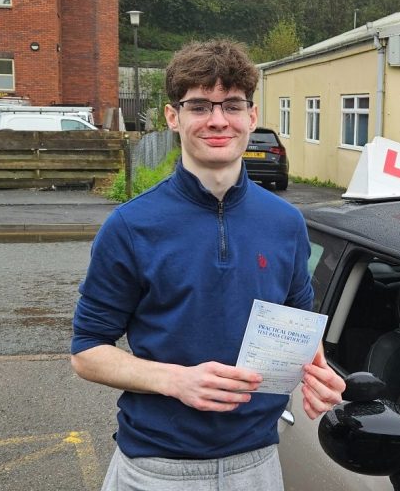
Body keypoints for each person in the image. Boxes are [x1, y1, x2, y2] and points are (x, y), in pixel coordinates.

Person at [71, 39, 345, 490]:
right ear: (173, 117)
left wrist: (318, 376)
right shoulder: (130, 226)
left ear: (251, 117)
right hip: (156, 469)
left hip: (257, 466)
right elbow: (87, 353)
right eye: (200, 105)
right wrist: (175, 380)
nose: (218, 120)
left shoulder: (286, 223)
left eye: (232, 105)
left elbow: (297, 332)